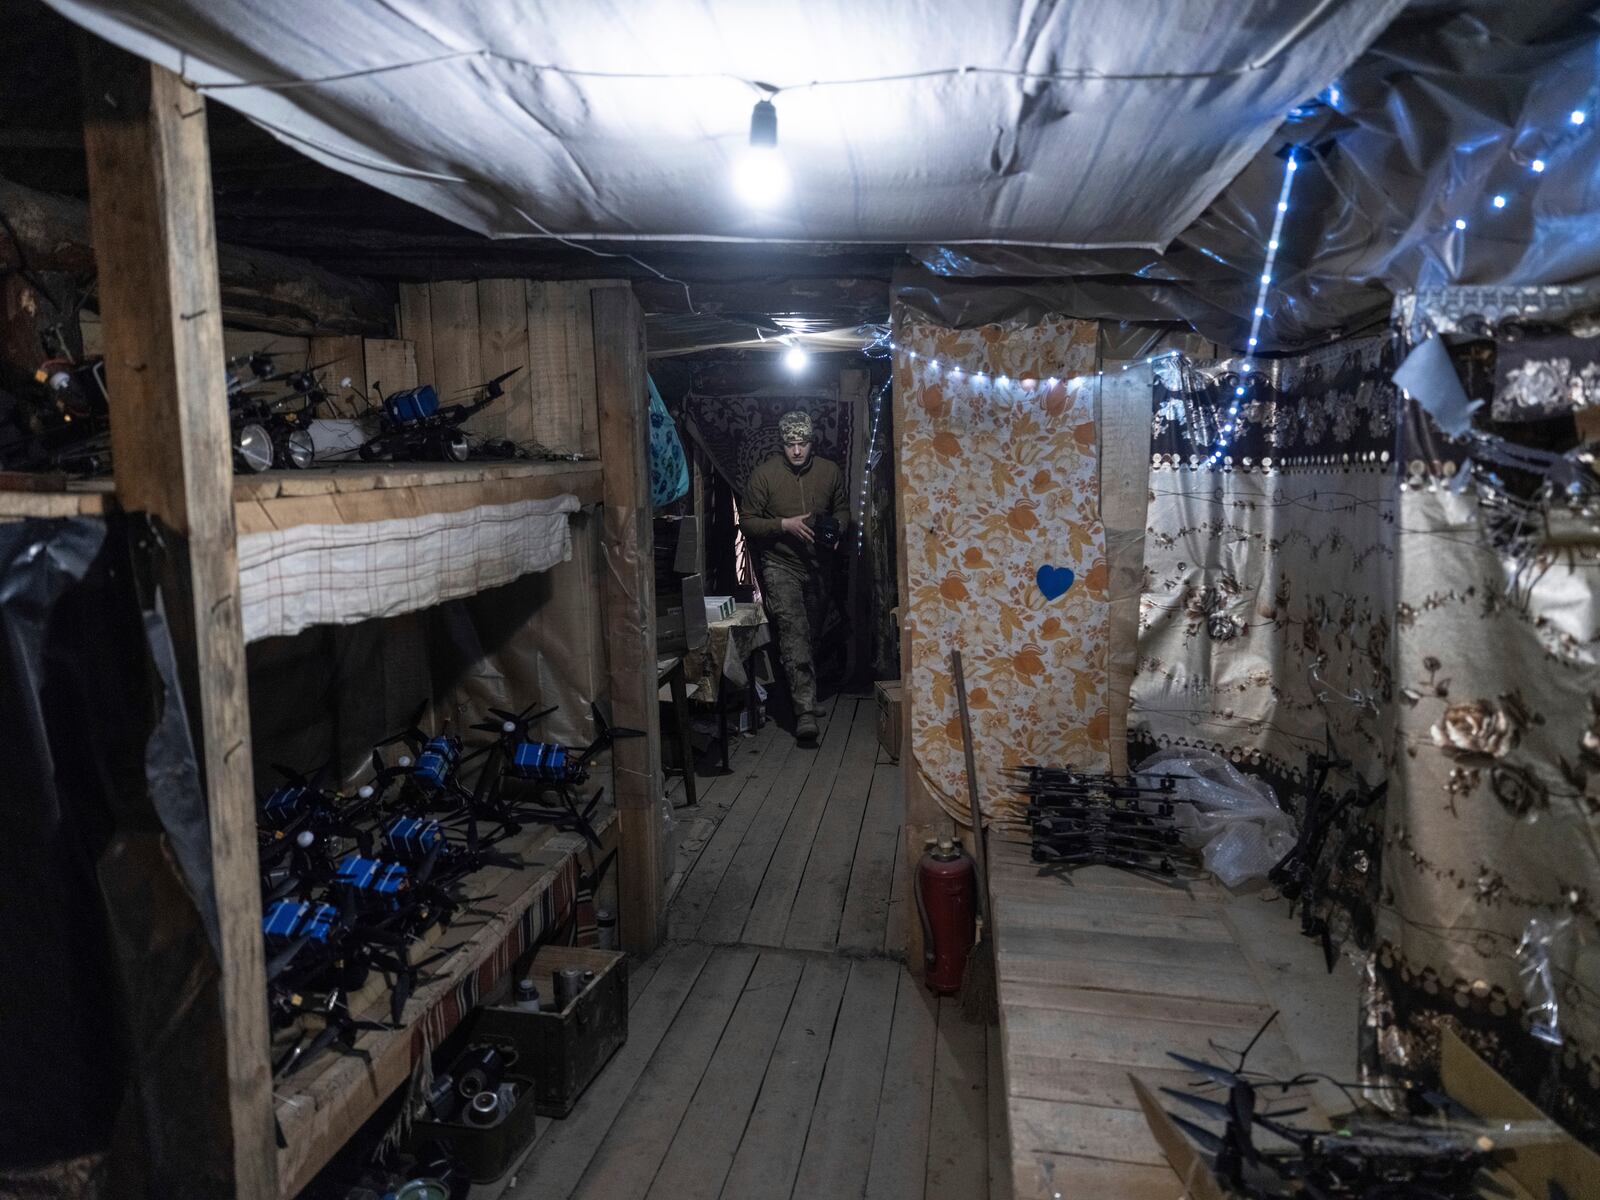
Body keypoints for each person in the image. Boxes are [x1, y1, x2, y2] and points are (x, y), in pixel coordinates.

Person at [741, 410, 849, 742]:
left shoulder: (829, 472)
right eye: (791, 444)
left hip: (818, 566)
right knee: (794, 632)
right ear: (782, 444)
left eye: (802, 443)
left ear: (811, 442)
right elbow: (747, 521)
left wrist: (836, 527)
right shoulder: (765, 476)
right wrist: (783, 525)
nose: (797, 451)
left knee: (812, 632)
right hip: (781, 564)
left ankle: (806, 692)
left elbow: (843, 509)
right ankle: (804, 711)